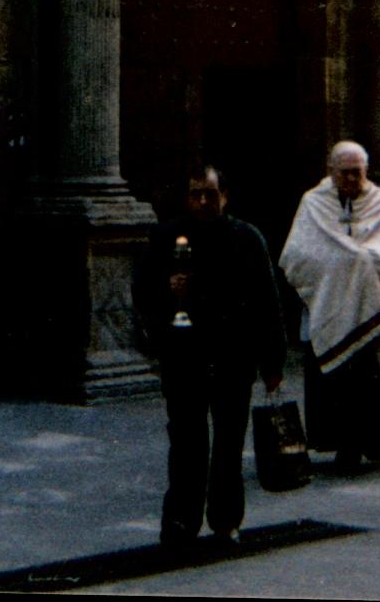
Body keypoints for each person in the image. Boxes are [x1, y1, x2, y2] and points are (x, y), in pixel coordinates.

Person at [133, 166, 286, 548]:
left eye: (211, 194)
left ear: (225, 196)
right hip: (185, 358)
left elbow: (268, 302)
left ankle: (225, 521)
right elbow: (143, 293)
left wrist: (273, 362)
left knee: (229, 444)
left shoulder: (247, 239)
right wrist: (167, 292)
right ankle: (181, 522)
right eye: (196, 194)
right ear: (186, 197)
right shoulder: (166, 237)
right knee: (186, 443)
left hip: (233, 357)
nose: (203, 201)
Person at [279, 141, 380, 470]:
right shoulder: (313, 204)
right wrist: (345, 260)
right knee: (339, 384)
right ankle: (343, 445)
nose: (354, 179)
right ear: (331, 171)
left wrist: (365, 260)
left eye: (359, 173)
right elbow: (298, 255)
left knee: (374, 382)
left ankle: (377, 442)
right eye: (347, 173)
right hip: (332, 308)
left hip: (376, 311)